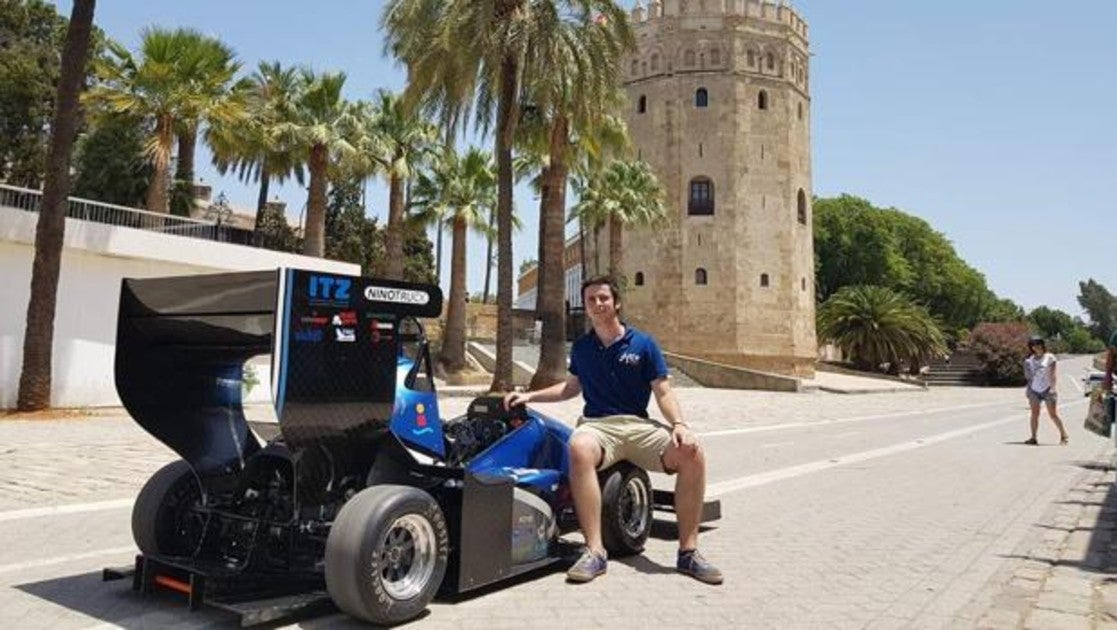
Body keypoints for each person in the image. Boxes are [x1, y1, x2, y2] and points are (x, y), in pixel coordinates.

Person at [503, 276, 722, 585]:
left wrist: (679, 425)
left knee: (692, 453)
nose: (597, 304)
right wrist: (529, 396)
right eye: (591, 300)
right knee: (578, 448)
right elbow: (571, 387)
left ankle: (688, 553)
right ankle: (594, 551)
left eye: (603, 298)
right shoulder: (582, 348)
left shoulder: (644, 344)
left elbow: (663, 392)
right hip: (598, 427)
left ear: (616, 302)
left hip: (637, 425)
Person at [1022, 336, 1068, 445]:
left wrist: (1053, 388)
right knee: (1034, 414)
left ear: (1042, 345)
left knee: (1052, 414)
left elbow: (1053, 374)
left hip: (1047, 389)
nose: (1036, 347)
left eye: (1038, 344)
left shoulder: (1049, 357)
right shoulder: (1030, 360)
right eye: (1033, 345)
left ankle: (1063, 435)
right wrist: (1028, 389)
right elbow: (1028, 376)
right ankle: (1033, 437)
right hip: (1034, 389)